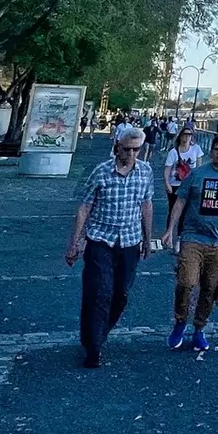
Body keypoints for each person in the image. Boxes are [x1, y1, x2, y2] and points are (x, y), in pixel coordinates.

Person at [64, 126, 156, 368]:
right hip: (101, 240)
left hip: (130, 241)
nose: (132, 154)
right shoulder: (101, 172)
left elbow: (146, 206)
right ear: (117, 147)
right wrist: (74, 243)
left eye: (137, 150)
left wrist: (148, 239)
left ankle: (100, 332)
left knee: (120, 294)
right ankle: (93, 346)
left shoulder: (145, 172)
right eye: (127, 149)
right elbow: (85, 207)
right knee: (99, 292)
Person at [163, 133, 218, 353]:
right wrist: (170, 230)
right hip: (192, 237)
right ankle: (180, 321)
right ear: (211, 151)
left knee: (209, 288)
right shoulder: (197, 174)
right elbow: (180, 201)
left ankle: (199, 328)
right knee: (186, 282)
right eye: (217, 149)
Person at [164, 127, 202, 224]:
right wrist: (167, 183)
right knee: (173, 210)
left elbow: (199, 168)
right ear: (180, 136)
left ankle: (181, 235)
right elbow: (167, 170)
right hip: (175, 185)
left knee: (187, 211)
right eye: (185, 134)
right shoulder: (173, 152)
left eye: (189, 135)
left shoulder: (196, 149)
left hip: (190, 185)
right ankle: (169, 233)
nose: (187, 137)